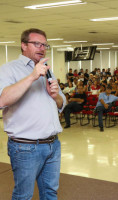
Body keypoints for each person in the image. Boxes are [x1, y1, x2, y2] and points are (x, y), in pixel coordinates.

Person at [0, 28, 66, 199]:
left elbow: (61, 103)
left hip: (53, 144)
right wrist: (32, 77)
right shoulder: (9, 70)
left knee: (50, 193)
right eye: (36, 43)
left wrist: (56, 96)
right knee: (24, 196)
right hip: (25, 147)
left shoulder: (48, 70)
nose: (42, 48)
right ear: (23, 45)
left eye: (44, 45)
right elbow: (2, 100)